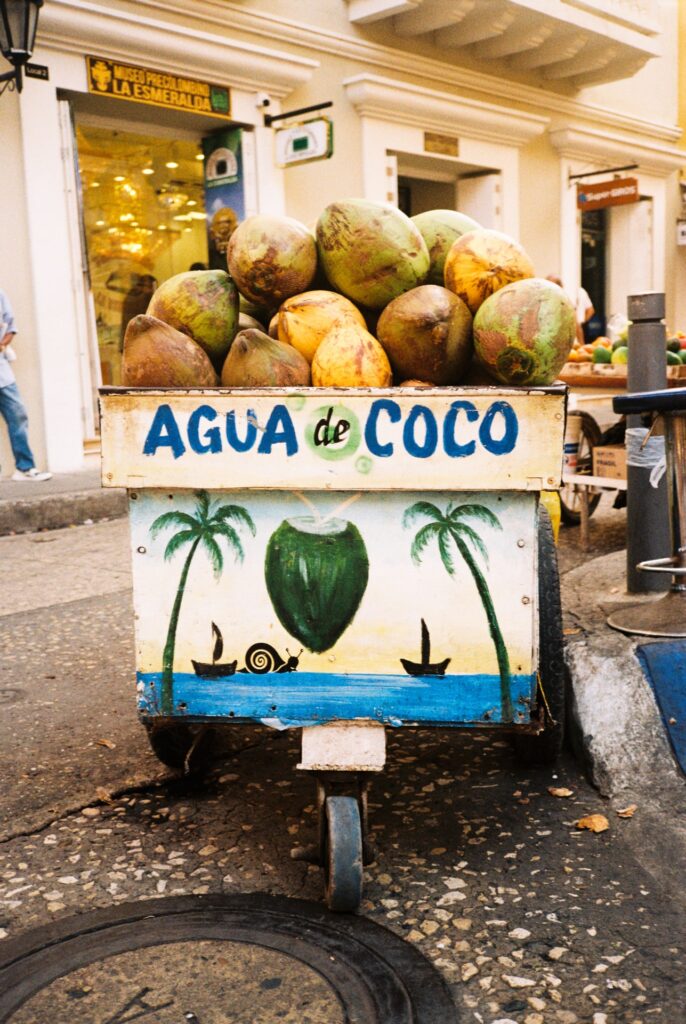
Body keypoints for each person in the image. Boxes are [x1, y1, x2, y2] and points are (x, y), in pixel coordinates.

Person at [0, 288, 52, 481]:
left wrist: (3, 344)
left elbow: (10, 327)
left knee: (18, 415)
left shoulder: (0, 295)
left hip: (2, 372)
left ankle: (24, 468)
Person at [546, 275, 595, 344]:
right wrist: (582, 321)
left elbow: (576, 323)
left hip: (572, 333)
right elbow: (591, 311)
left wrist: (581, 344)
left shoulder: (563, 299)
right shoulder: (580, 291)